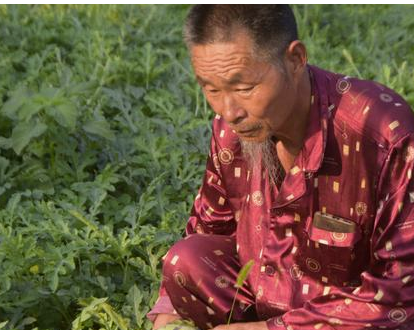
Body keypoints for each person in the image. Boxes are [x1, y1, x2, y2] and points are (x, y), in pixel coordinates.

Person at [148, 4, 414, 330]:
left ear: (295, 60)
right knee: (186, 260)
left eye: (244, 88)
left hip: (346, 316)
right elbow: (208, 224)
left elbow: (404, 286)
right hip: (265, 287)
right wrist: (169, 313)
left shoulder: (381, 133)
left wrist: (272, 330)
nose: (229, 110)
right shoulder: (231, 130)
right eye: (211, 88)